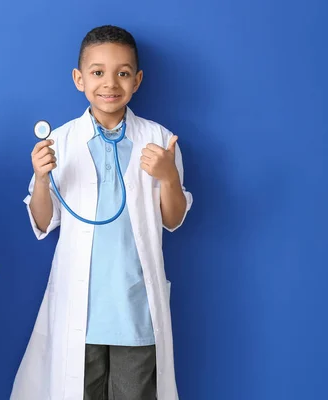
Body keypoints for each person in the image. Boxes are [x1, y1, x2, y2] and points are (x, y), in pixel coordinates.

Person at [12, 25, 193, 400]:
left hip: (135, 311)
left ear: (137, 80)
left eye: (123, 73)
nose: (110, 83)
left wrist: (169, 177)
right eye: (97, 72)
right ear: (79, 79)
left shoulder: (160, 140)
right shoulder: (60, 141)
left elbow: (173, 219)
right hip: (80, 311)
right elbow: (44, 223)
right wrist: (41, 178)